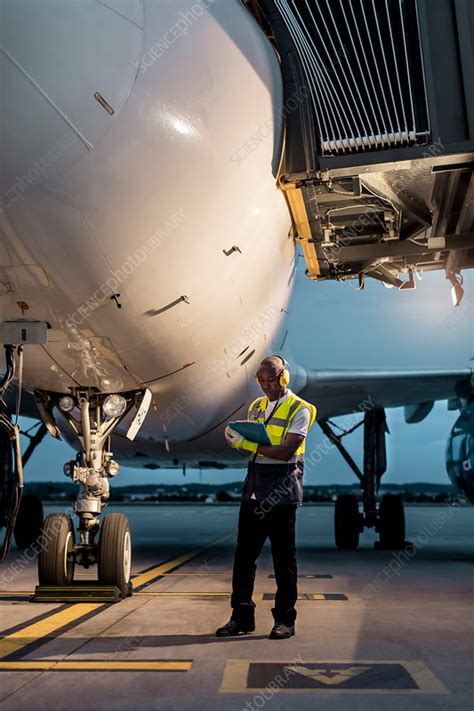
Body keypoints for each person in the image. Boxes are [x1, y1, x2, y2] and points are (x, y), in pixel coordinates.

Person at [216, 355, 317, 640]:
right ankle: (241, 618)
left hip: (282, 494)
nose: (265, 386)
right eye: (261, 381)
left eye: (270, 380)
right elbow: (254, 448)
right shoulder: (257, 407)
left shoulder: (301, 409)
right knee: (243, 560)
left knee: (283, 562)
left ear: (284, 378)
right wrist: (237, 441)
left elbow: (286, 451)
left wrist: (249, 445)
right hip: (254, 490)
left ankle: (285, 621)